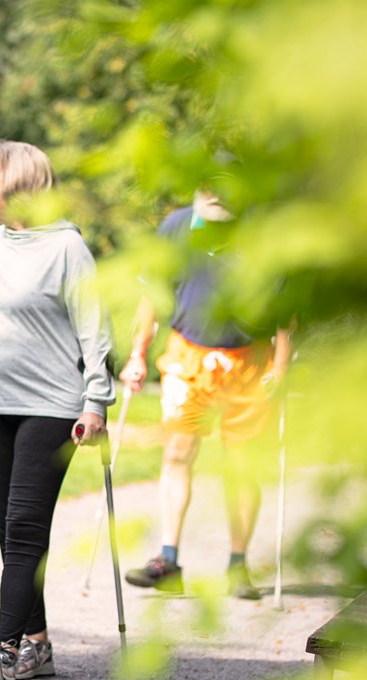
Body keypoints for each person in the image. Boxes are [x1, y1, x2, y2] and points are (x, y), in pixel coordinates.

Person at [0, 141, 115, 680]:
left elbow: (96, 332)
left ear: (20, 186)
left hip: (51, 408)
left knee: (24, 528)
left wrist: (96, 402)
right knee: (13, 532)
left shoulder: (68, 249)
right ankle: (39, 644)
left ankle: (4, 645)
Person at [120, 187, 292, 599]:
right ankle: (167, 560)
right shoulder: (178, 227)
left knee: (242, 463)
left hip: (249, 361)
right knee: (178, 451)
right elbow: (153, 297)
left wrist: (282, 368)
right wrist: (137, 355)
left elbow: (286, 313)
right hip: (188, 356)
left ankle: (237, 566)